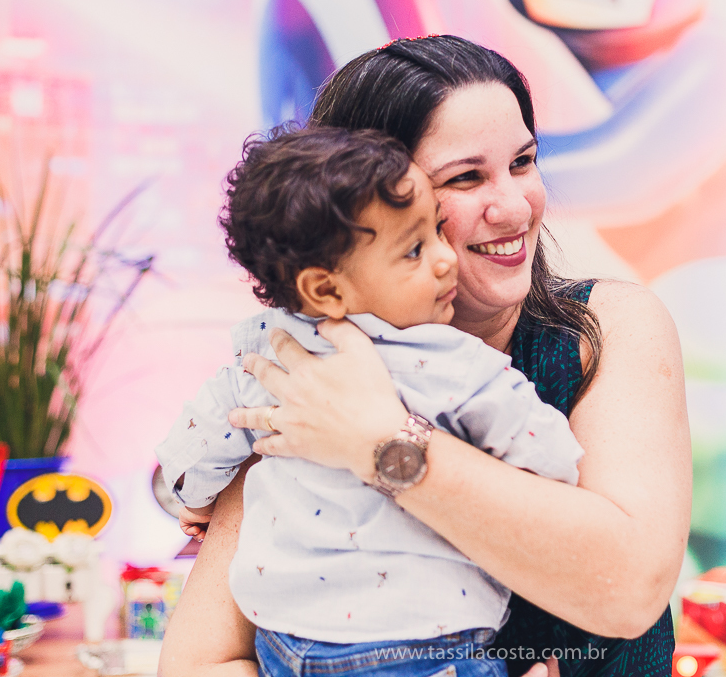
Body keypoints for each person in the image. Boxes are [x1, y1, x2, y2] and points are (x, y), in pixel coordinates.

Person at [158, 35, 692, 677]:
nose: (515, 205)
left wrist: (381, 442)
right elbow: (197, 664)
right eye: (465, 178)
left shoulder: (604, 328)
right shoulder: (306, 365)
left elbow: (628, 587)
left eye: (523, 162)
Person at [156, 125, 585, 675]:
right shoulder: (453, 361)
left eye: (434, 232)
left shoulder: (266, 352)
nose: (444, 259)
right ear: (325, 289)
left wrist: (196, 499)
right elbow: (551, 462)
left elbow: (194, 449)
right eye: (414, 249)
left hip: (286, 645)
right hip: (422, 648)